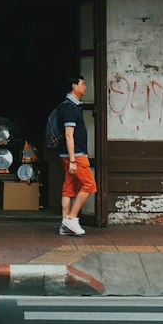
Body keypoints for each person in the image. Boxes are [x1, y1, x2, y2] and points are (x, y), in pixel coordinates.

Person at [56, 74, 96, 236]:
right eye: (82, 84)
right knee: (89, 185)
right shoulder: (69, 108)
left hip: (69, 155)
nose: (85, 87)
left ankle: (64, 224)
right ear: (74, 86)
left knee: (69, 188)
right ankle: (71, 219)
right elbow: (68, 135)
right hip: (75, 156)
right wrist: (73, 160)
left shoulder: (69, 106)